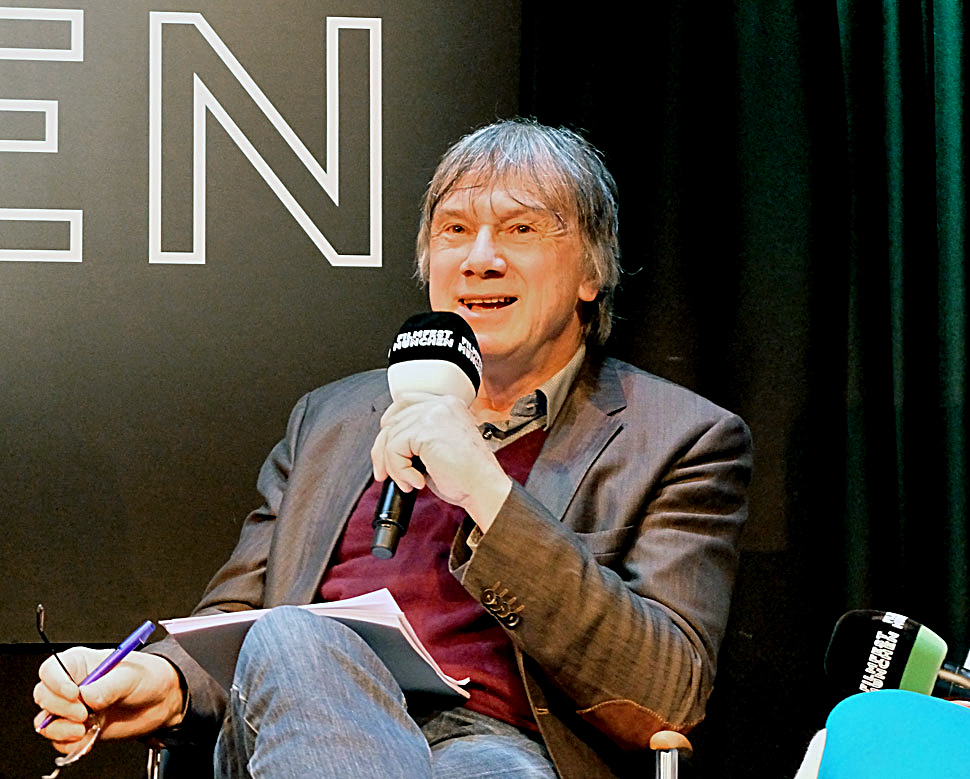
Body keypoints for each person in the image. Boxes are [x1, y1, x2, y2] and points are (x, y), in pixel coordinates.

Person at [34, 118, 752, 778]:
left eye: (521, 229)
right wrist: (161, 679)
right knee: (294, 639)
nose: (480, 259)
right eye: (455, 229)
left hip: (500, 749)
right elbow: (237, 621)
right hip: (304, 718)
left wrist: (488, 493)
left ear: (592, 272)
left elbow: (668, 695)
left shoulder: (680, 438)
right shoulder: (334, 418)